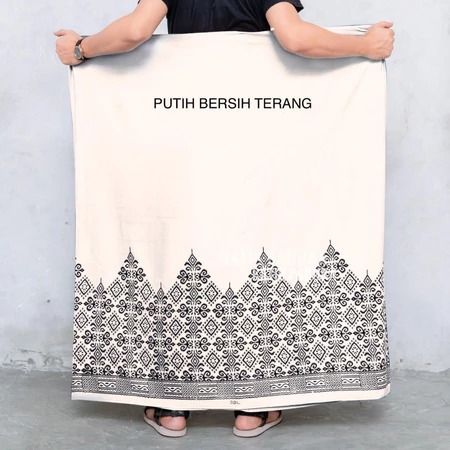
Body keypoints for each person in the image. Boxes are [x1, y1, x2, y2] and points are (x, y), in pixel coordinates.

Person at [55, 0, 394, 438]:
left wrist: (81, 48)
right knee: (255, 242)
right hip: (258, 131)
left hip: (181, 131)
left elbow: (135, 31)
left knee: (179, 247)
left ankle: (172, 407)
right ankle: (253, 408)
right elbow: (294, 38)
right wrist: (364, 46)